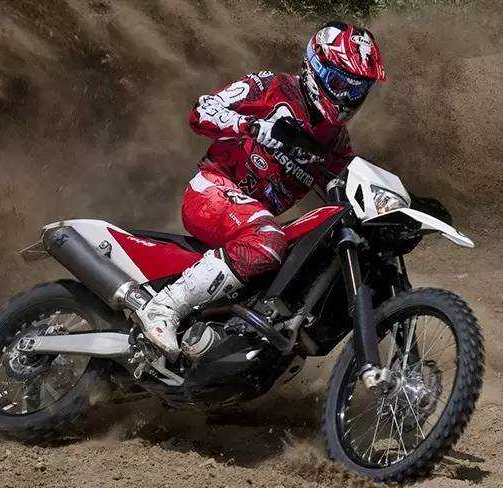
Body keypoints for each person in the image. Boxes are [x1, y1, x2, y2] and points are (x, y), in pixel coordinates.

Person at [134, 22, 386, 358]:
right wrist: (251, 126)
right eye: (340, 84)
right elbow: (201, 112)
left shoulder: (336, 143)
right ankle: (163, 307)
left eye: (357, 91)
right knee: (268, 238)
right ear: (315, 66)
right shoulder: (272, 87)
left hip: (253, 221)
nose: (346, 99)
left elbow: (344, 192)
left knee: (308, 251)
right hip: (211, 190)